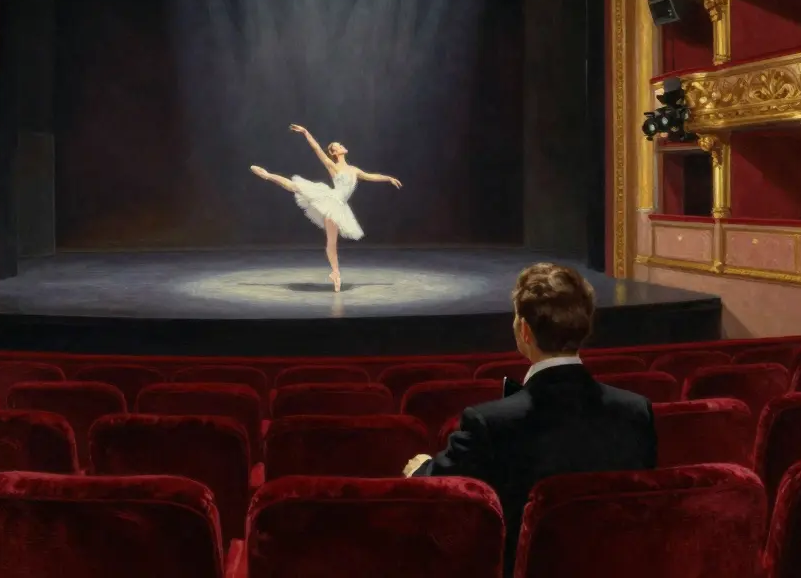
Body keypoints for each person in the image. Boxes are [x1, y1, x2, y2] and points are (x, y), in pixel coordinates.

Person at [403, 263, 656, 576]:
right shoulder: (636, 412)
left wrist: (418, 469)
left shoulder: (489, 424)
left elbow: (438, 488)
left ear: (524, 330)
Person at [251, 124, 402, 292]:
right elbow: (317, 150)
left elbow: (371, 176)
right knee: (296, 186)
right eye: (338, 146)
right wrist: (306, 133)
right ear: (334, 152)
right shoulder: (333, 166)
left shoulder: (354, 169)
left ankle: (335, 274)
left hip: (339, 206)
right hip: (330, 199)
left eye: (340, 144)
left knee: (332, 242)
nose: (342, 146)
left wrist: (388, 178)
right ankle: (267, 175)